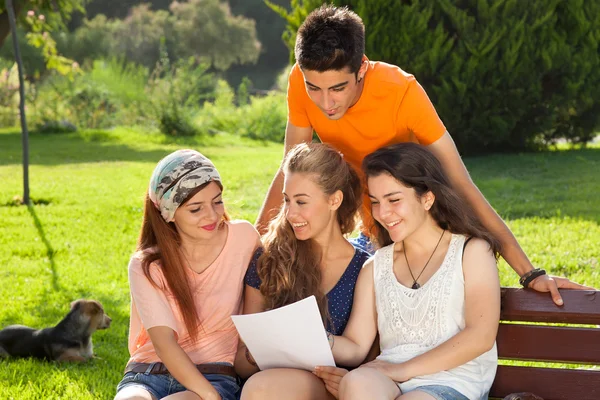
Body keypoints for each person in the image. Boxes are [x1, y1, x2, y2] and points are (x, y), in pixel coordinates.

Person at [254, 4, 588, 305]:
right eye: (316, 89)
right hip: (369, 219)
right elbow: (291, 172)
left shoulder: (403, 92)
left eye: (338, 88)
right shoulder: (301, 79)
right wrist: (255, 249)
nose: (326, 104)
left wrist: (529, 273)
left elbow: (461, 184)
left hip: (418, 215)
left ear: (362, 69)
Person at [315, 142, 501, 400]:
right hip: (389, 378)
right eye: (376, 202)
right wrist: (308, 337)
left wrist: (400, 370)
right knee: (357, 382)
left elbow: (480, 336)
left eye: (394, 200)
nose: (382, 213)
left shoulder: (471, 252)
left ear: (427, 198)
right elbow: (356, 346)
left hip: (453, 380)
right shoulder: (376, 266)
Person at [115, 149, 260, 400]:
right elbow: (164, 344)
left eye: (217, 201)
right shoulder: (146, 264)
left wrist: (210, 394)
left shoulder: (244, 238)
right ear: (169, 214)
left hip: (214, 375)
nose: (213, 215)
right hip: (147, 373)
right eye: (196, 209)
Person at [236, 143, 371, 400]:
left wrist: (297, 338)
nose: (290, 213)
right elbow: (240, 363)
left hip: (330, 388)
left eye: (301, 202)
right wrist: (252, 355)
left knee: (262, 388)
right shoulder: (268, 257)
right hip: (270, 385)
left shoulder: (364, 267)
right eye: (287, 200)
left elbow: (358, 350)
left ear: (334, 200)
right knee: (260, 387)